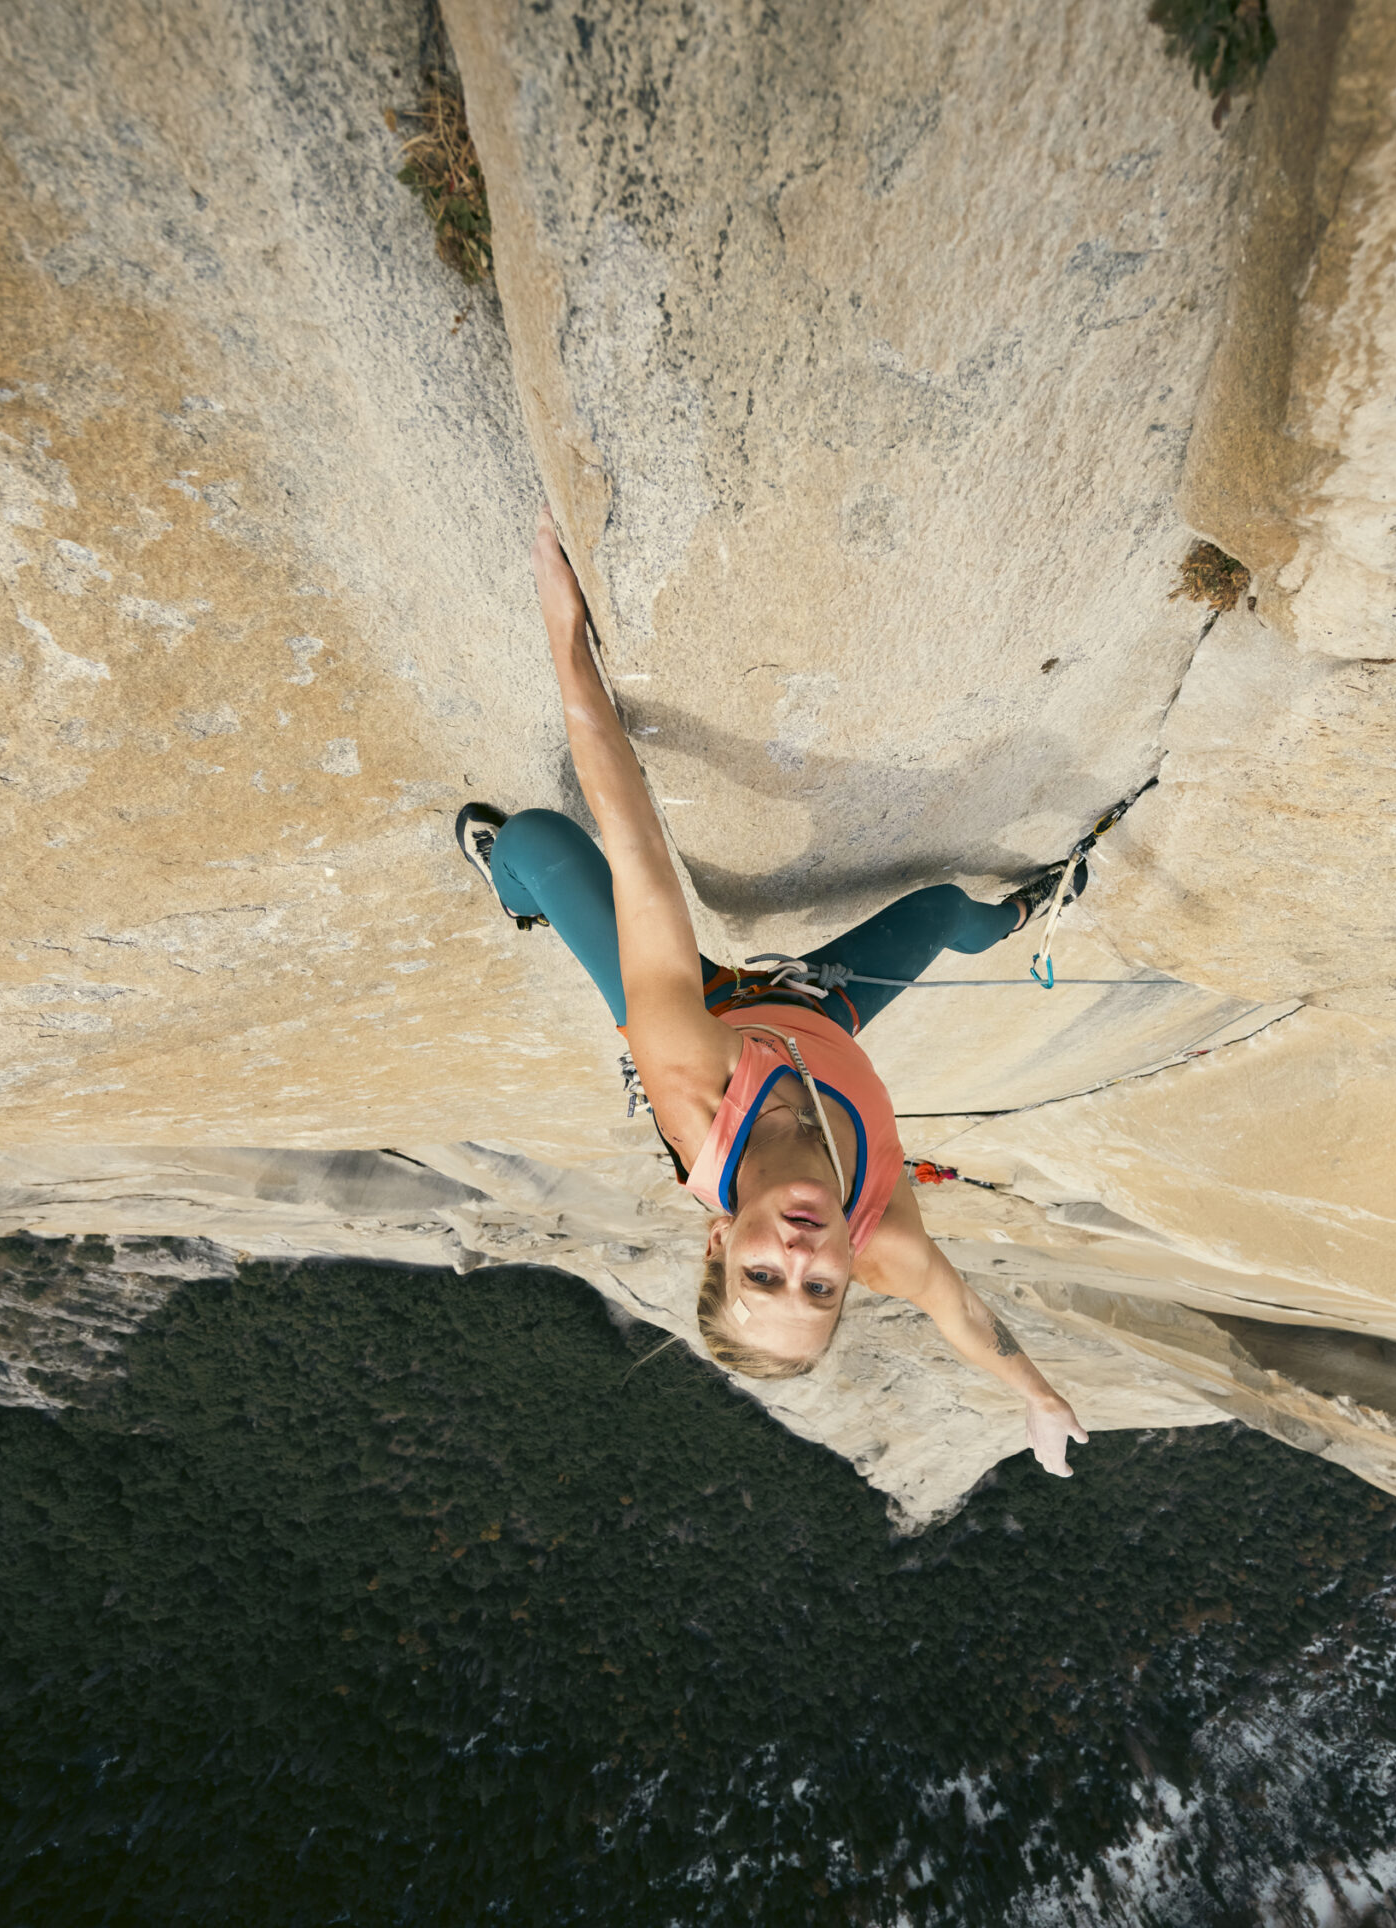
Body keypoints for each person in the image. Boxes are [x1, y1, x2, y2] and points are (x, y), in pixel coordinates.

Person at [457, 508, 1089, 1477]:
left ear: (718, 1239)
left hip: (714, 1009)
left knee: (540, 840)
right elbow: (961, 1312)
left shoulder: (689, 1085)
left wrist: (566, 640)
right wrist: (1036, 1394)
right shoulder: (880, 1237)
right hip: (817, 1009)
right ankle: (1013, 920)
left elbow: (638, 853)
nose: (801, 1257)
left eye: (762, 1275)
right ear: (850, 1283)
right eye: (819, 1291)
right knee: (944, 906)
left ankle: (510, 887)